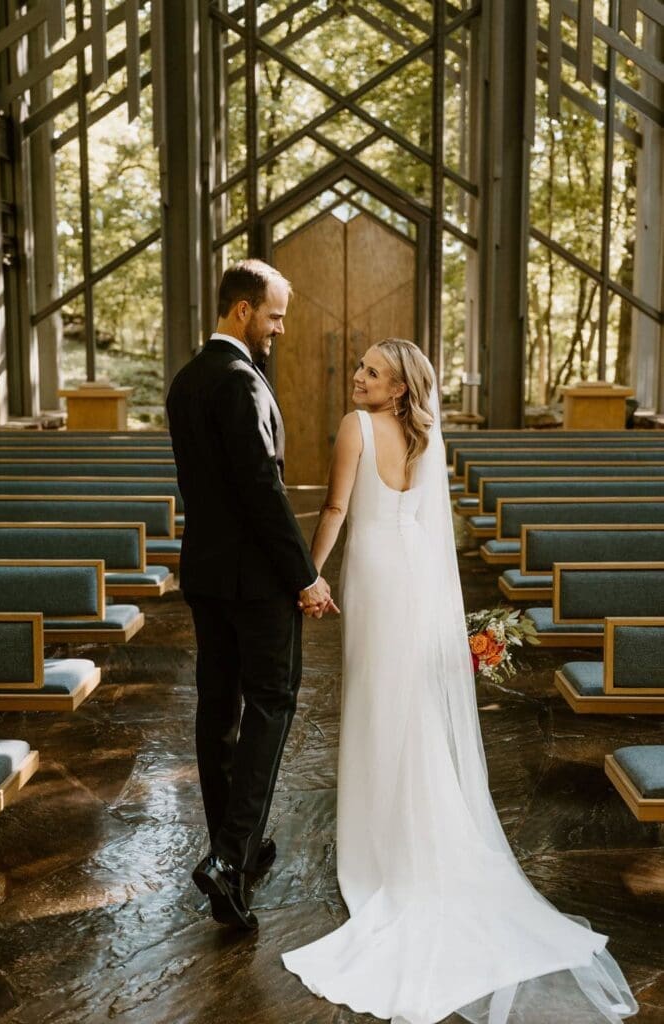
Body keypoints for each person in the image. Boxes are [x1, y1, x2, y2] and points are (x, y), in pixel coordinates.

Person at [282, 339, 637, 1024]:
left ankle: (379, 852)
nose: (357, 378)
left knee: (374, 706)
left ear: (396, 390)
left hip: (378, 581)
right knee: (408, 706)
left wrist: (309, 577)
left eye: (371, 373)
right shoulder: (426, 436)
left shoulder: (356, 428)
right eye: (359, 368)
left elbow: (333, 511)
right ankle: (412, 834)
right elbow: (431, 530)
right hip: (416, 586)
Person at [166, 259, 337, 933]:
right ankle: (229, 857)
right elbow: (261, 494)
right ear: (242, 310)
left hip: (206, 575)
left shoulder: (186, 382)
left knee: (218, 710)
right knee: (272, 703)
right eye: (274, 314)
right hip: (255, 583)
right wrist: (305, 575)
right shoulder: (240, 381)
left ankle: (231, 847)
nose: (280, 328)